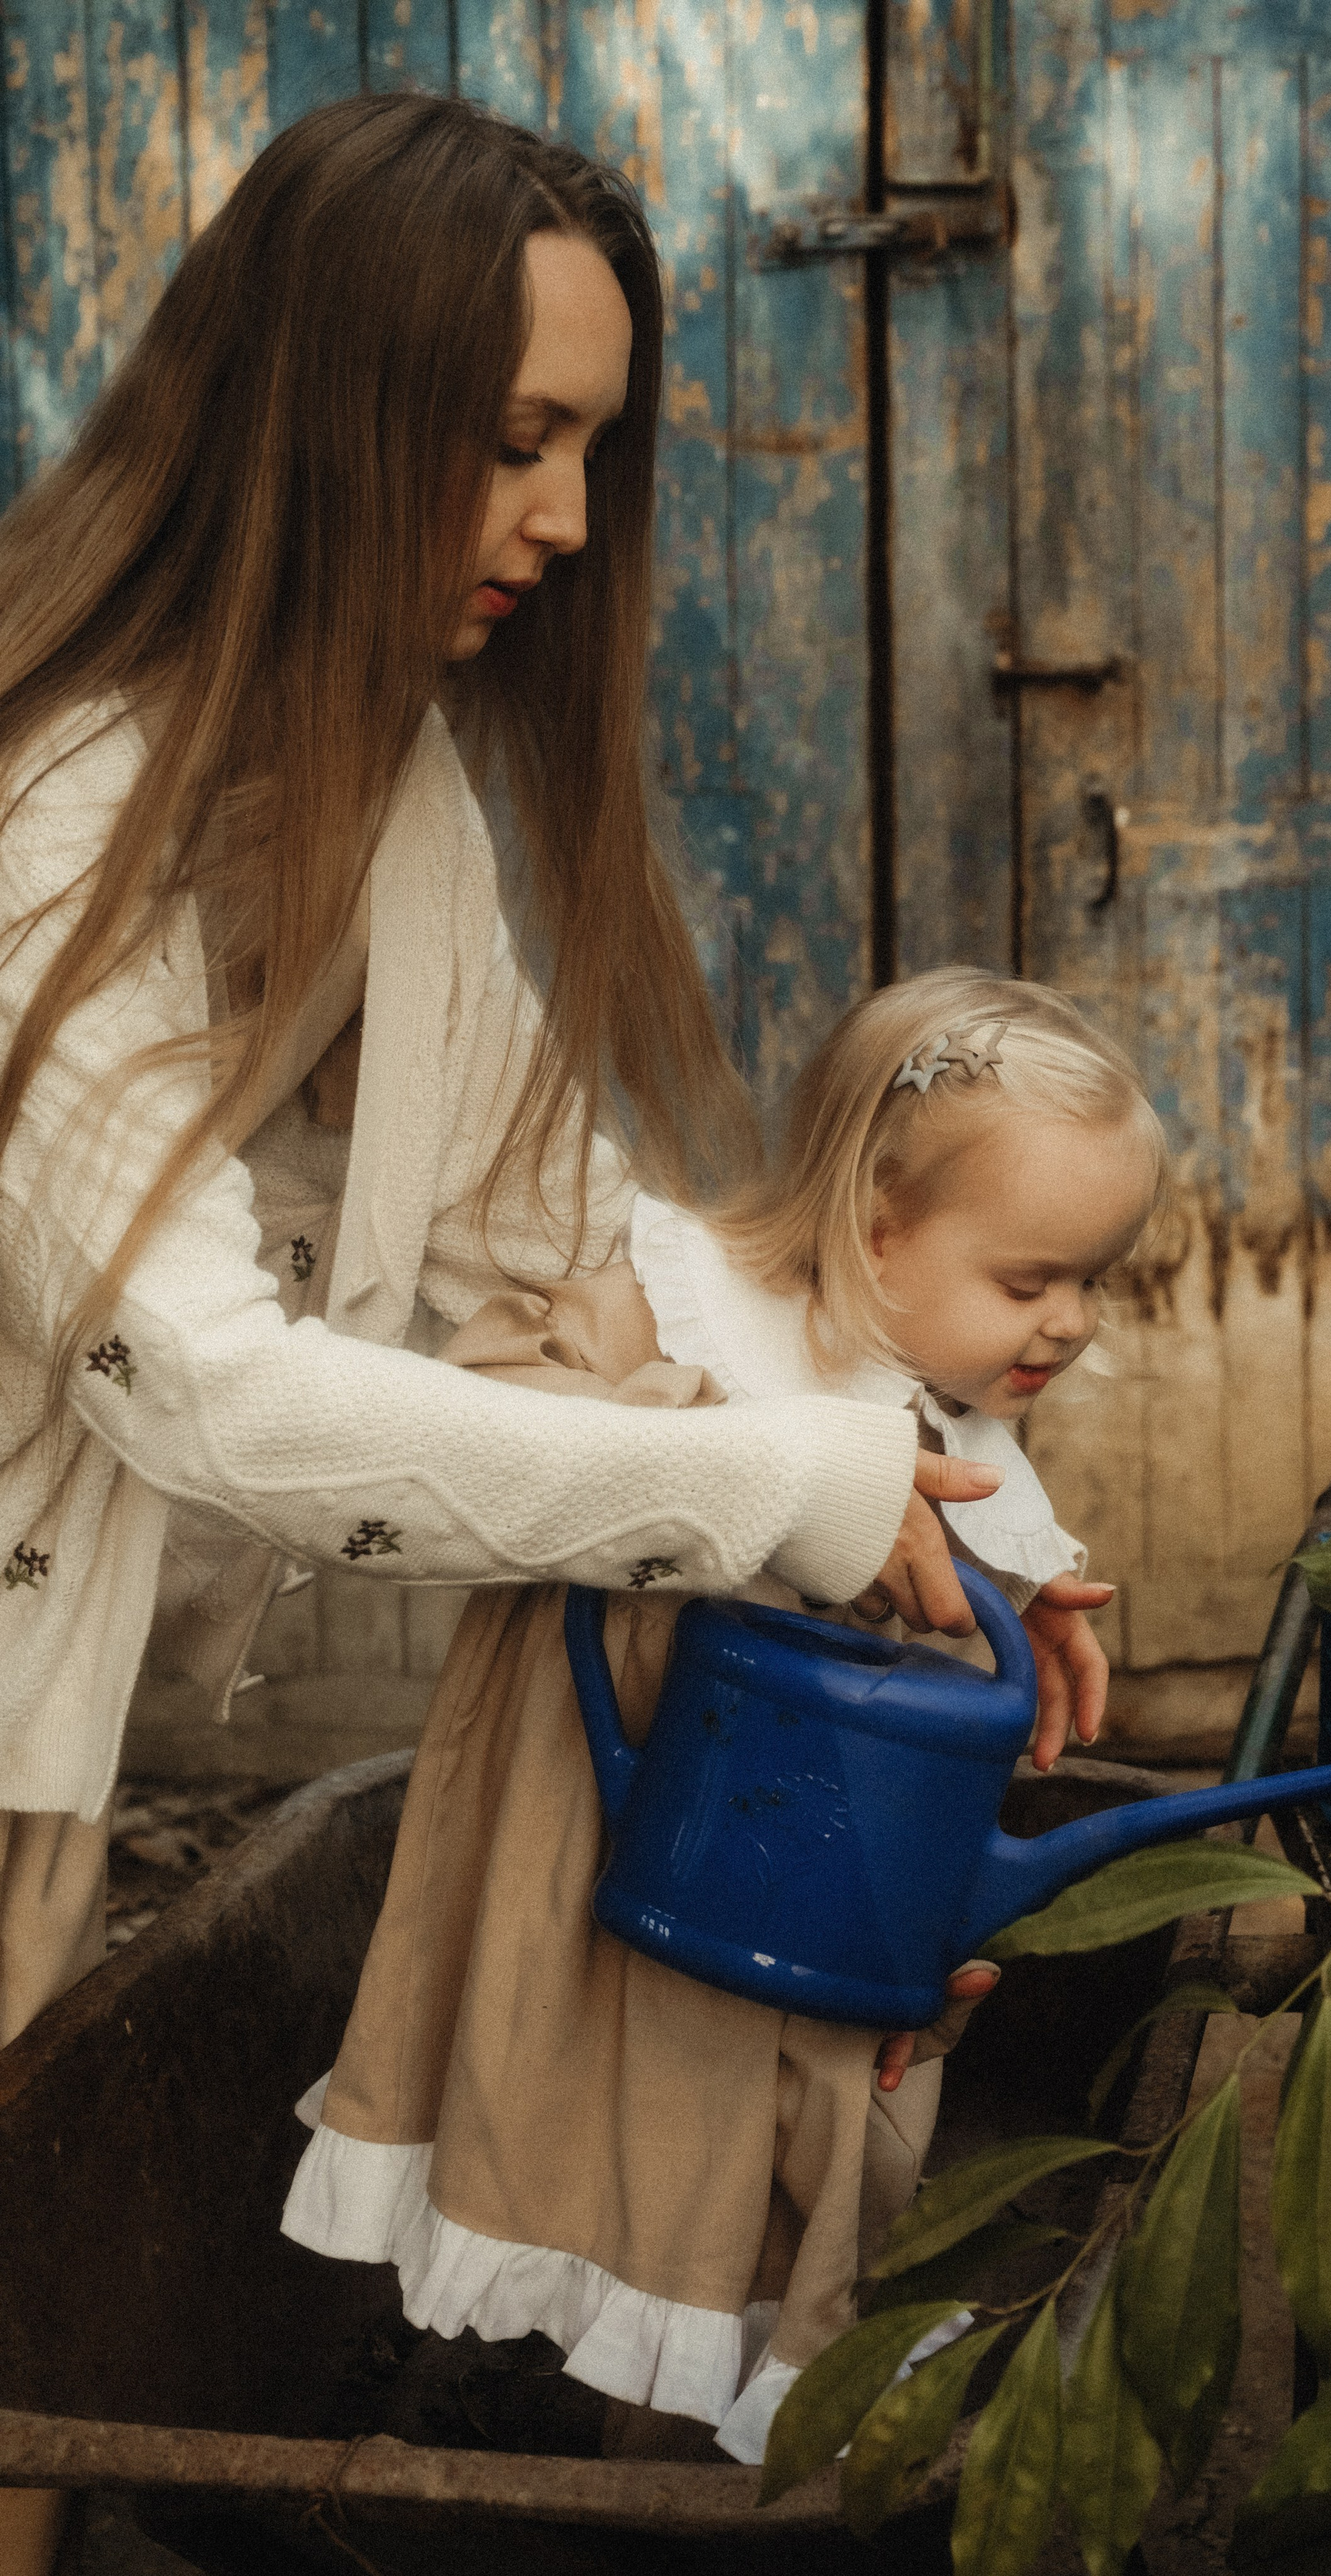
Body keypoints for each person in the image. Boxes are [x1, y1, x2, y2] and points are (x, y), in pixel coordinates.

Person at [0, 96, 997, 2575]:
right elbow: (209, 1385)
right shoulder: (44, 812)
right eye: (516, 436)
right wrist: (795, 1497)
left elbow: (566, 1255)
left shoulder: (389, 800)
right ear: (319, 408)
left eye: (589, 445)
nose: (564, 520)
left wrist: (949, 1494)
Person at [283, 966, 1164, 2463]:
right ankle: (642, 2429)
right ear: (879, 1228)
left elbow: (942, 1558)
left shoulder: (946, 1401)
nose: (1071, 1323)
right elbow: (490, 1413)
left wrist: (1027, 1588)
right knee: (624, 2114)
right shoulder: (670, 1298)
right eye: (1032, 1281)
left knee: (820, 2124)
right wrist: (718, 1457)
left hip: (793, 1862)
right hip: (599, 1809)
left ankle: (711, 2421)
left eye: (1096, 1278)